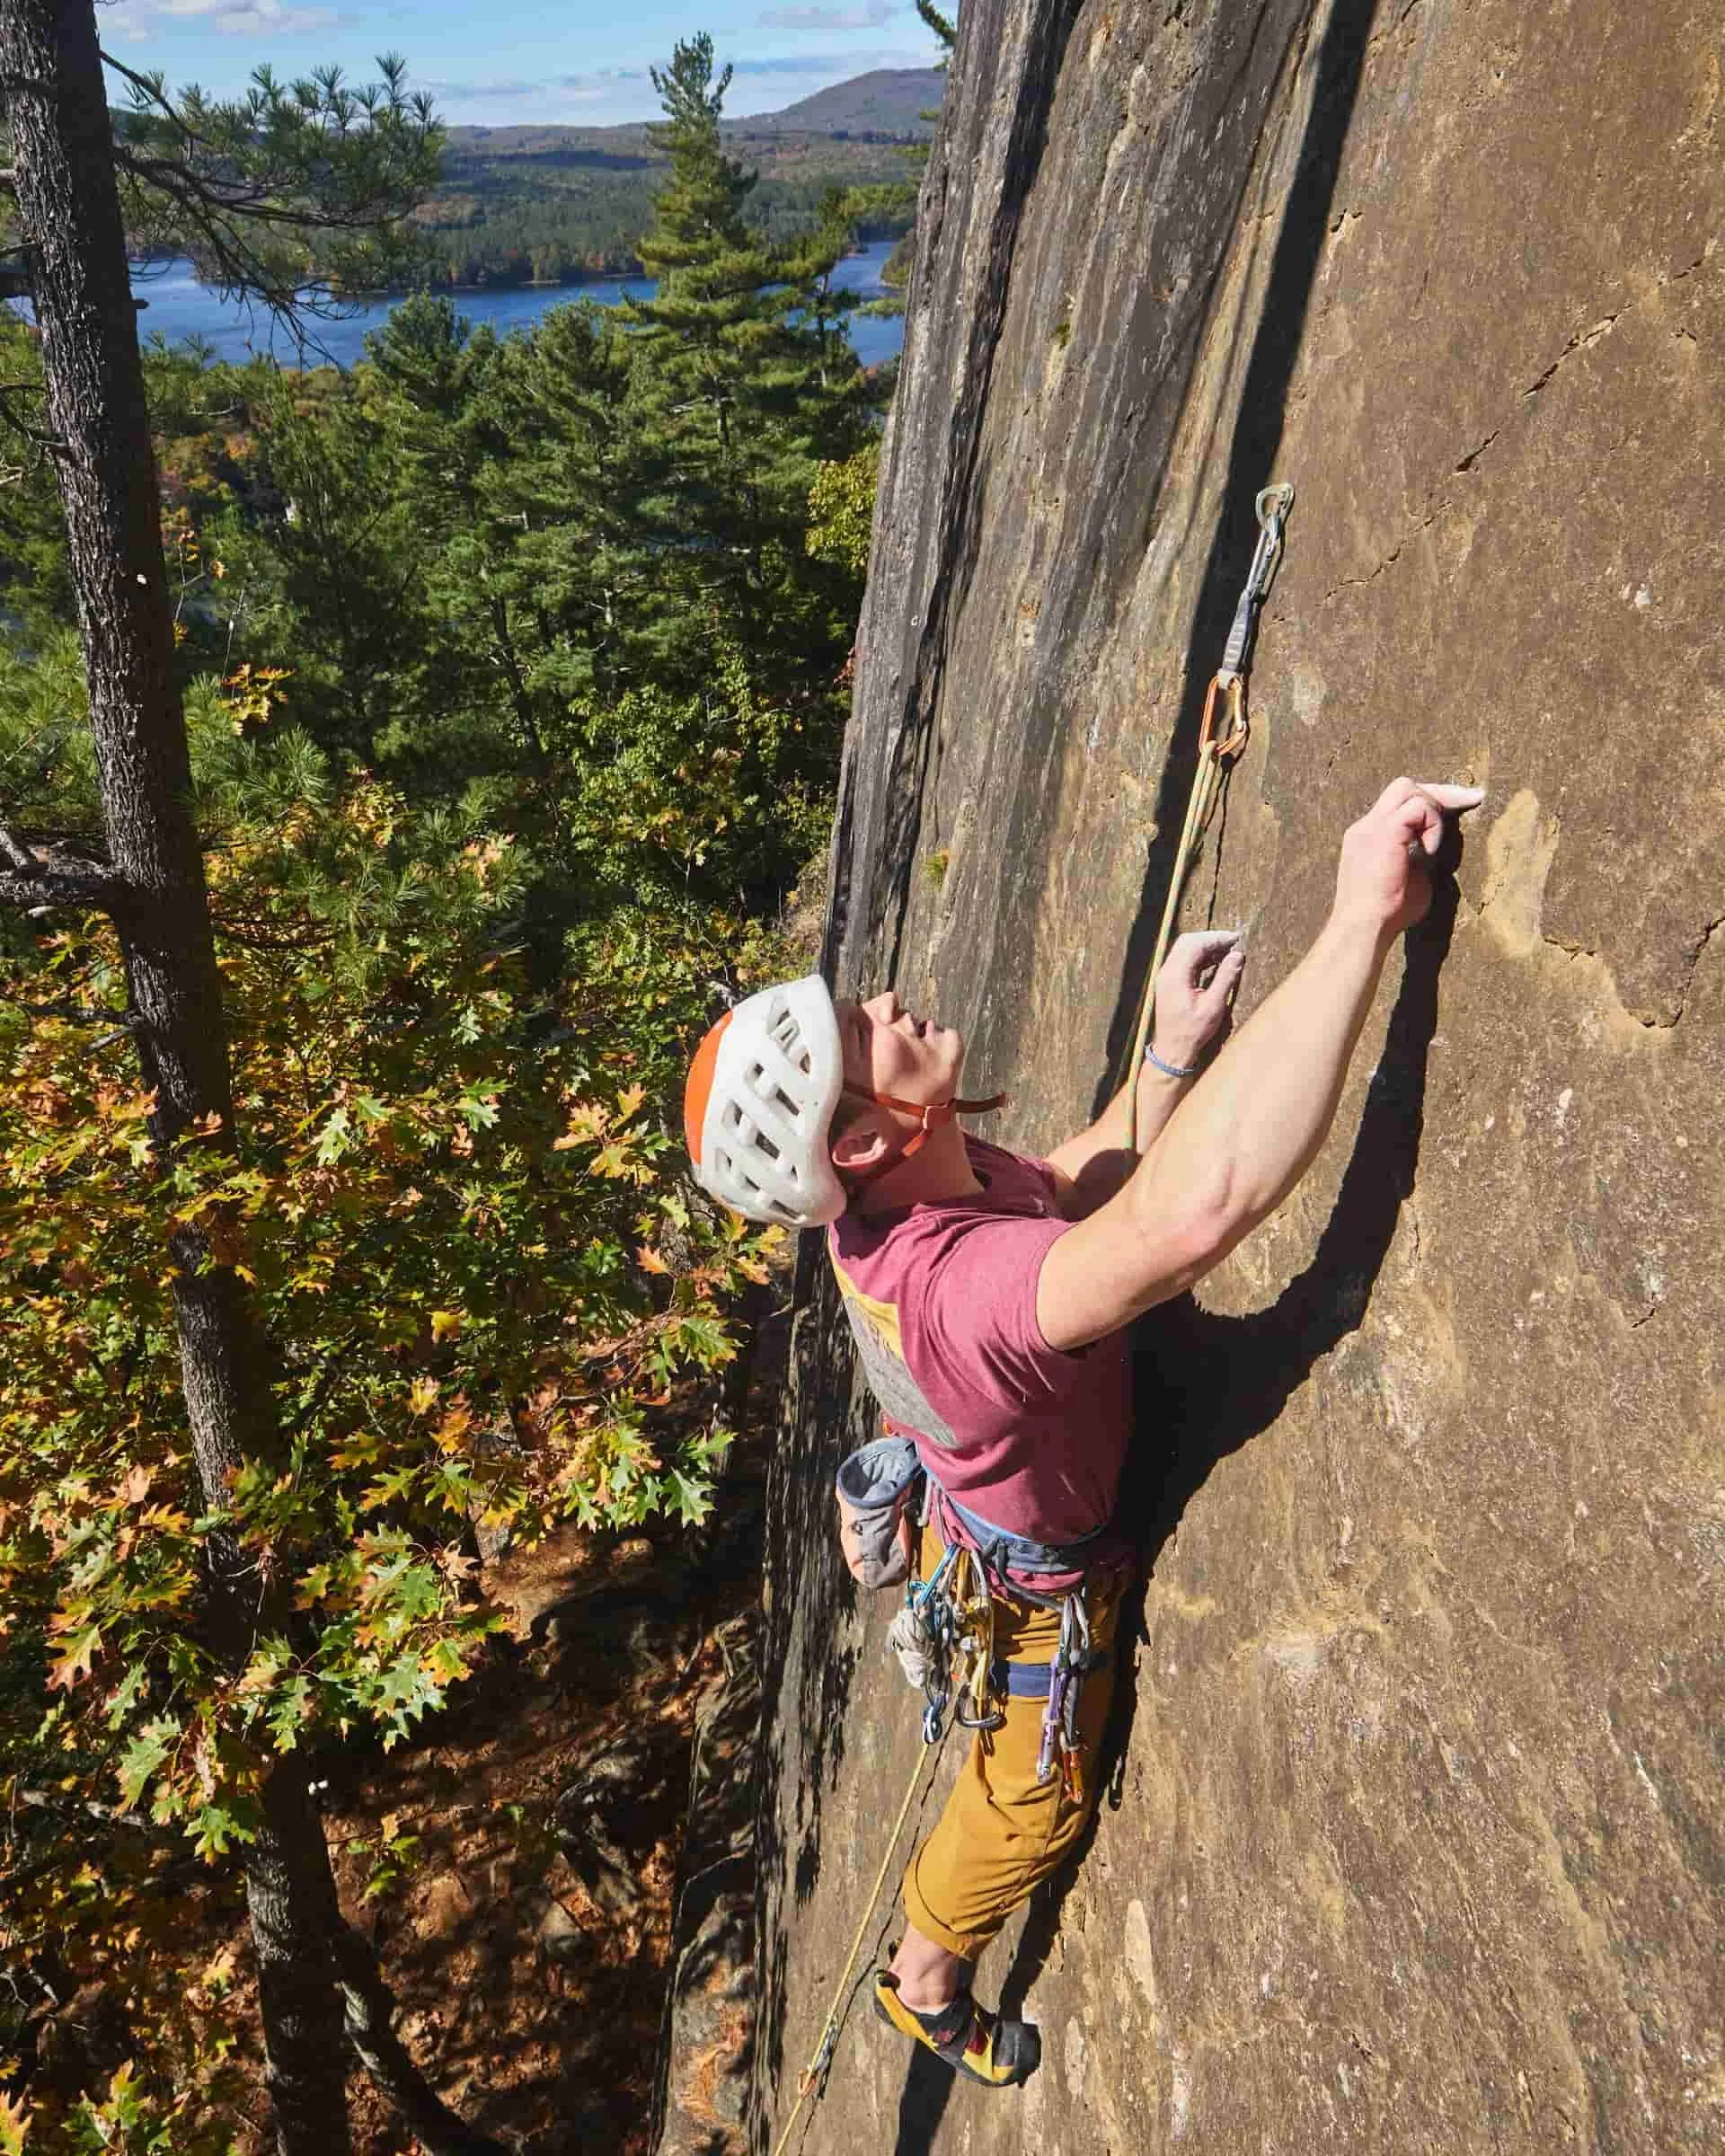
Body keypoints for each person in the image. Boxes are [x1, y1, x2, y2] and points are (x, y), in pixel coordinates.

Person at [684, 776, 1483, 2087]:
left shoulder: (898, 1197)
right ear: (874, 1135)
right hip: (1042, 1584)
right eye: (860, 1030)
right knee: (1032, 1797)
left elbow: (1061, 1192)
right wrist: (1361, 926)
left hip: (983, 1499)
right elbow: (1184, 1217)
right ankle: (924, 1979)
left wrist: (1167, 1054)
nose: (887, 1001)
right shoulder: (958, 1295)